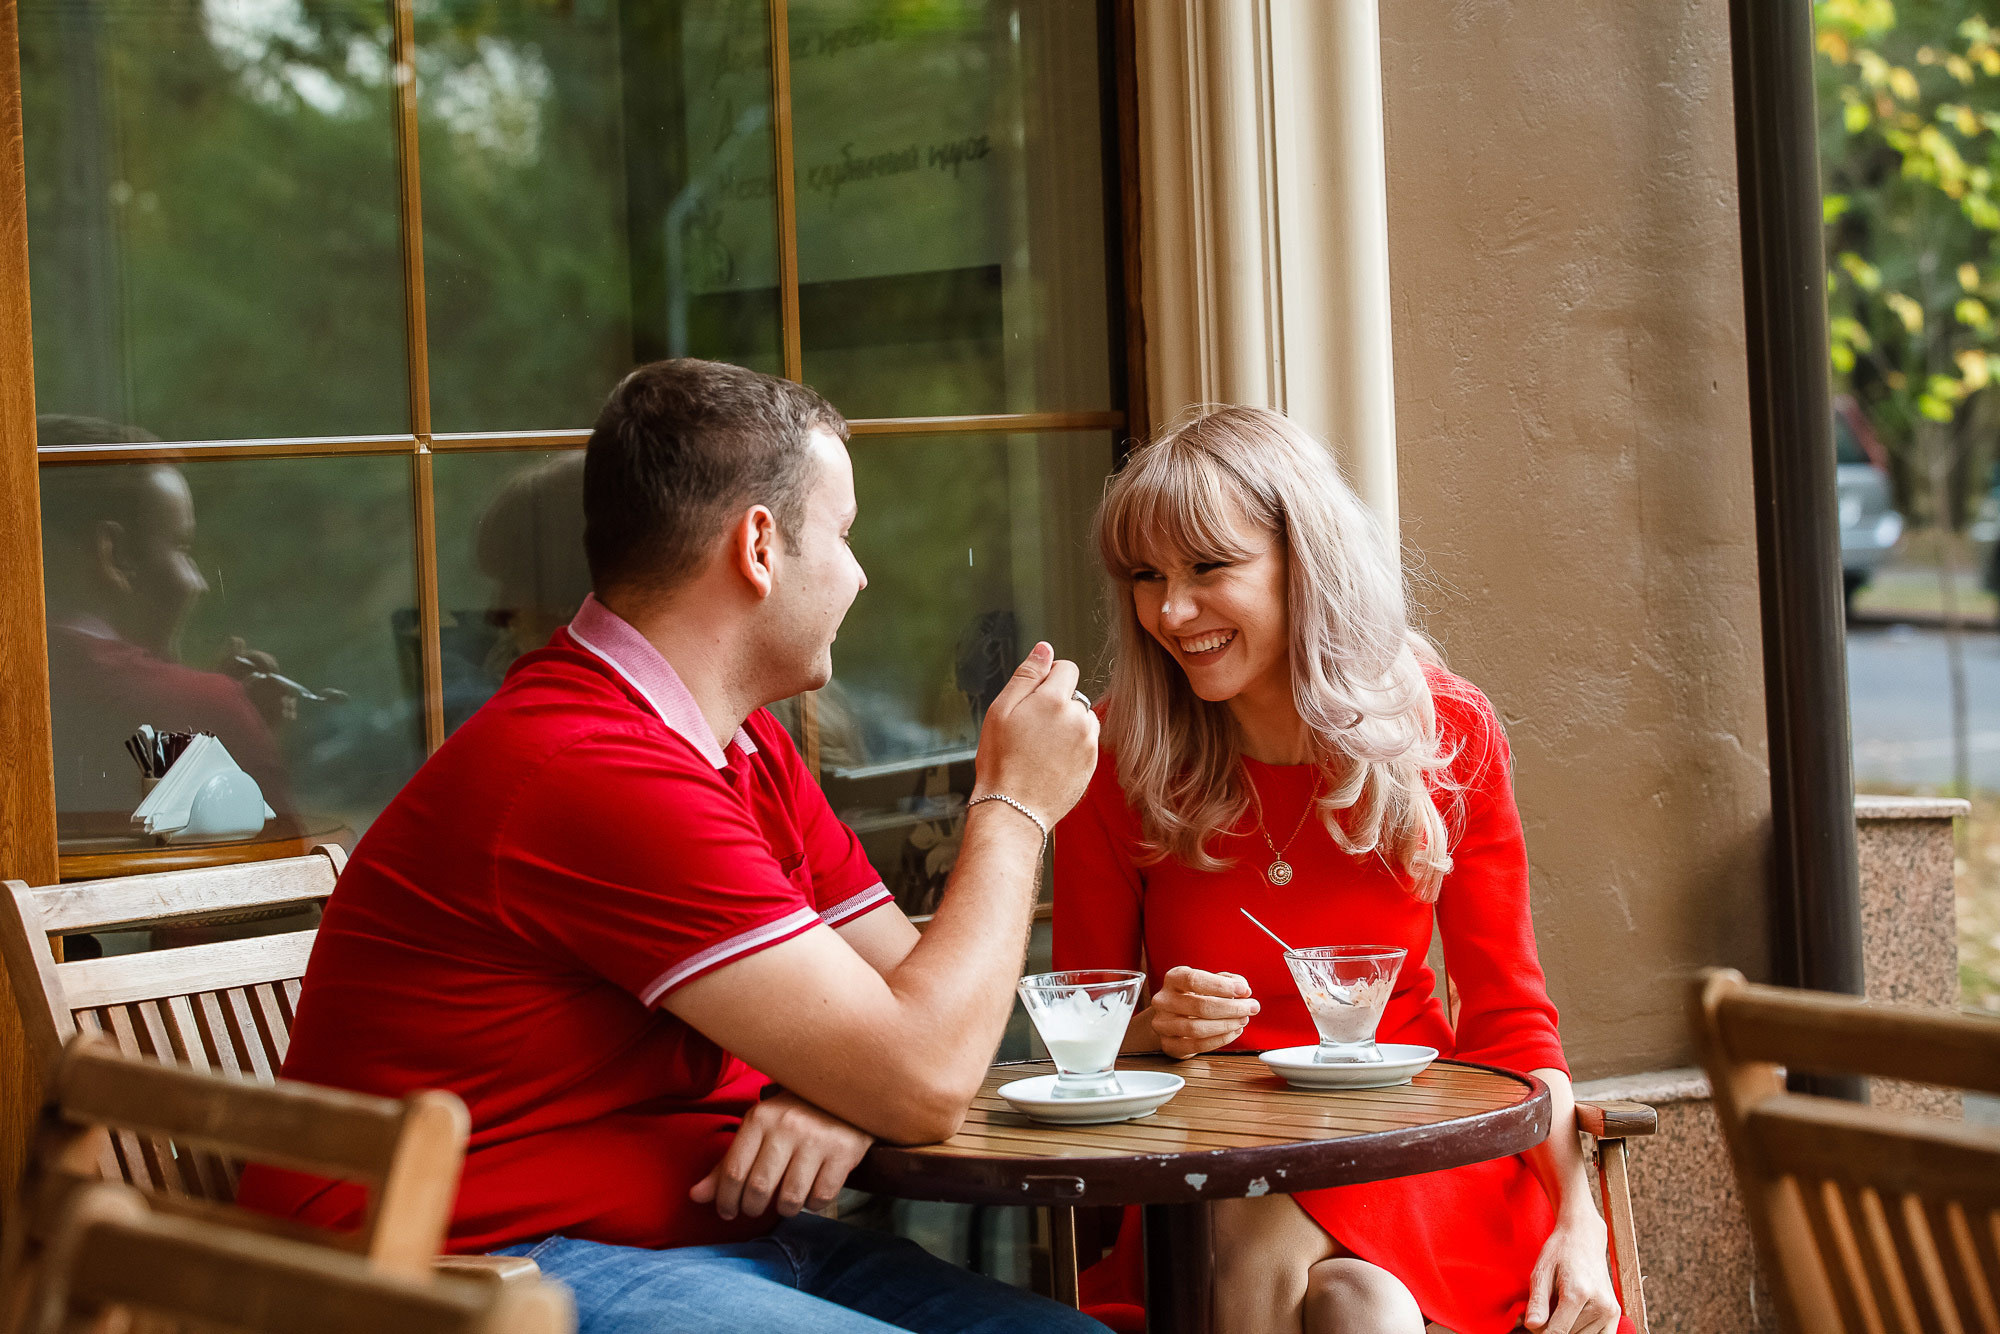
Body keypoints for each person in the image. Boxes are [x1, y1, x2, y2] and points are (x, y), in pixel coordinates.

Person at [238, 360, 1106, 1334]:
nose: (861, 574)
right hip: (462, 1268)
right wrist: (1014, 803)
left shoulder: (741, 745)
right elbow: (925, 1070)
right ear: (760, 545)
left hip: (679, 1246)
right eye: (846, 533)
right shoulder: (589, 766)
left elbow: (920, 1024)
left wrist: (840, 1088)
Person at [1053, 406, 1626, 1334]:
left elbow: (1512, 1021)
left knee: (1319, 1260)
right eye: (1146, 578)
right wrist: (1156, 1031)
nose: (1171, 611)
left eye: (1209, 568)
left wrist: (1580, 1217)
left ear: (1303, 560)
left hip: (1416, 1155)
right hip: (1207, 1165)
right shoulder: (1113, 755)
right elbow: (1080, 1037)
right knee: (1356, 1302)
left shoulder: (1446, 734)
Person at [37, 418, 294, 823]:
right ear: (116, 555)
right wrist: (217, 716)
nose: (200, 583)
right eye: (181, 547)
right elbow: (292, 869)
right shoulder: (208, 708)